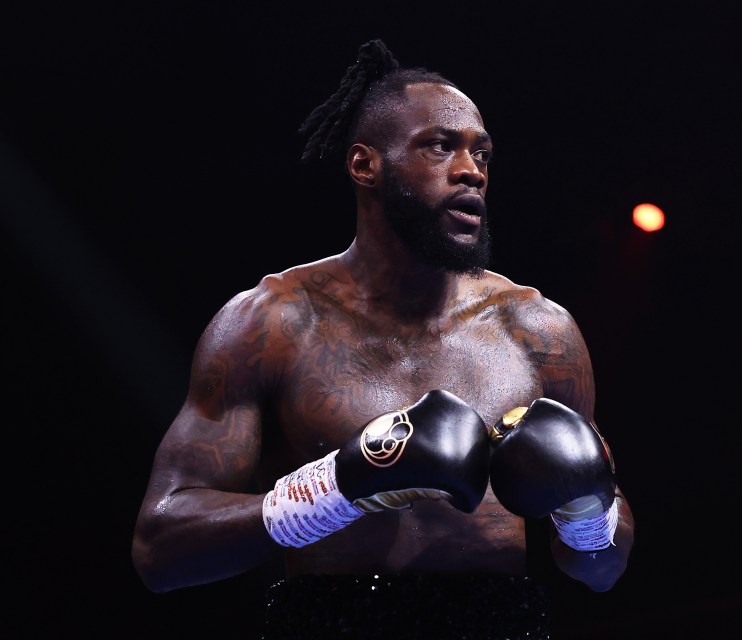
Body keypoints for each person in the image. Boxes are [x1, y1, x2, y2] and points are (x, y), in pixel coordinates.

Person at [132, 38, 635, 640]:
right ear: (365, 164)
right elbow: (160, 549)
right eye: (441, 146)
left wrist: (586, 517)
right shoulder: (272, 323)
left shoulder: (539, 331)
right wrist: (339, 487)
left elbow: (602, 571)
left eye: (482, 153)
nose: (471, 170)